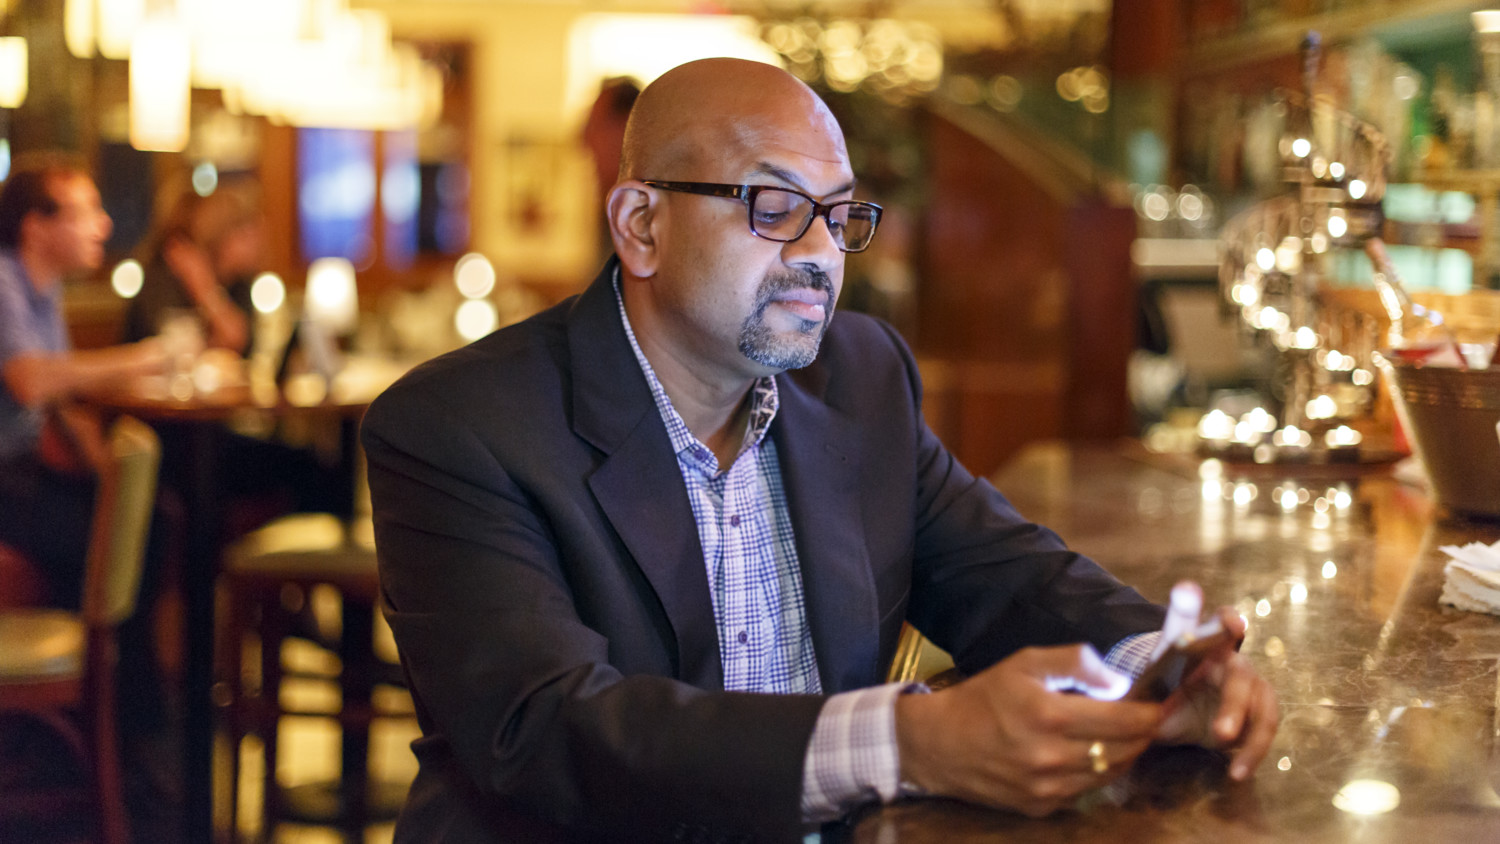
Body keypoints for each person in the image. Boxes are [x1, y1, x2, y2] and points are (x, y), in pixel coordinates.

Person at [361, 59, 1279, 844]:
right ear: (641, 224)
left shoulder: (858, 374)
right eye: (774, 208)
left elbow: (1002, 569)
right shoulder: (462, 425)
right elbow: (549, 730)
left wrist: (1161, 662)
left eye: (838, 215)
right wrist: (911, 740)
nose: (822, 254)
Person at [0, 156, 177, 837]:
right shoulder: (7, 281)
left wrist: (100, 461)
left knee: (153, 519)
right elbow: (30, 383)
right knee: (117, 535)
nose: (104, 224)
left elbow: (57, 403)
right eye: (85, 211)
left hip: (20, 469)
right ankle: (112, 727)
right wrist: (136, 359)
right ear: (37, 225)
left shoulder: (40, 289)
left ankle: (120, 722)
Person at [122, 178, 261, 353]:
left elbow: (241, 342)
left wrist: (205, 287)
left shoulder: (239, 284)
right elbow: (173, 351)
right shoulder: (164, 278)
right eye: (245, 233)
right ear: (221, 236)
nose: (259, 241)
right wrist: (204, 288)